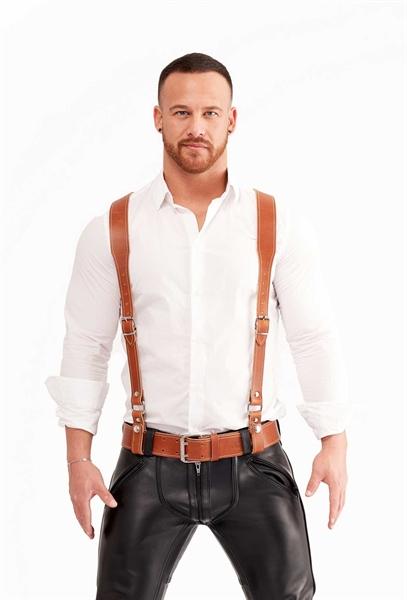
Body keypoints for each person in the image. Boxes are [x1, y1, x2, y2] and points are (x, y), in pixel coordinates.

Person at [45, 52, 351, 600]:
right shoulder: (114, 228)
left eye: (210, 113)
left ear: (231, 119)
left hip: (255, 462)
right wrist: (78, 459)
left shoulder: (276, 224)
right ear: (158, 118)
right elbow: (86, 346)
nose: (196, 127)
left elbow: (313, 337)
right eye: (181, 112)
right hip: (147, 465)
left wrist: (334, 441)